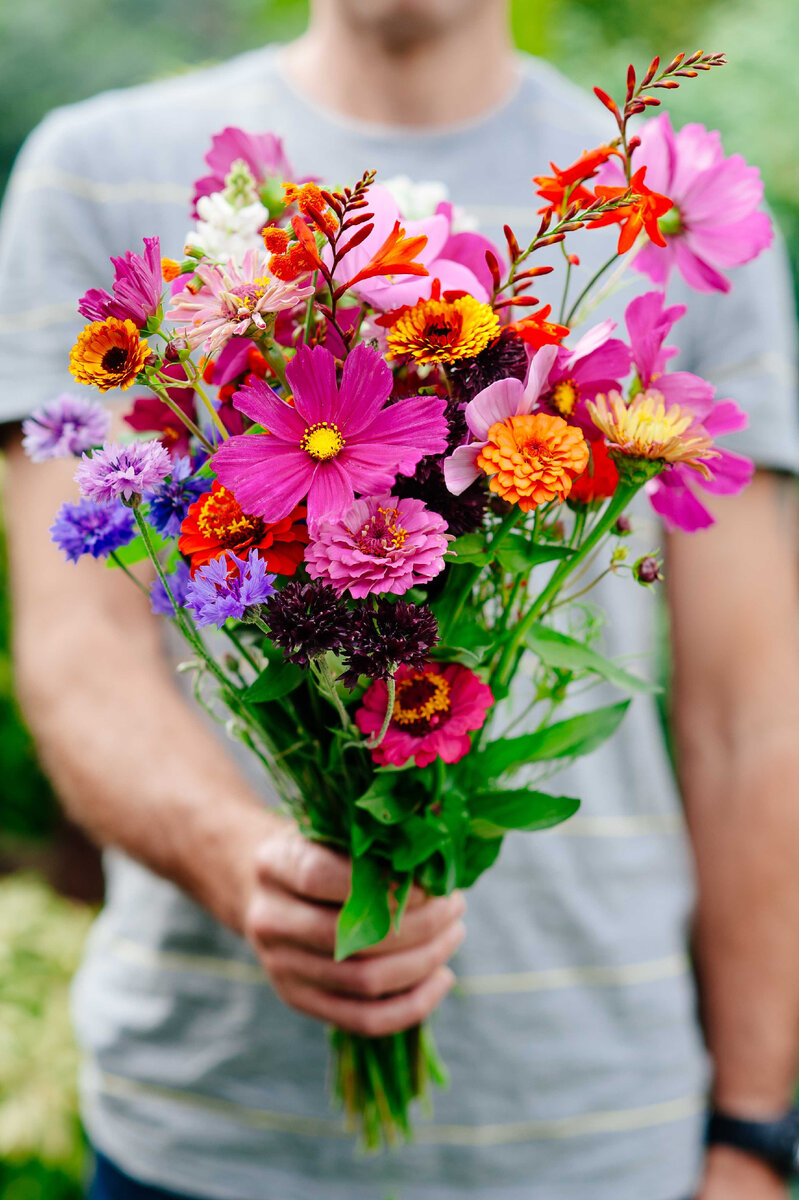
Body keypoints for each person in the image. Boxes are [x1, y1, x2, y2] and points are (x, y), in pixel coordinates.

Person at [2, 2, 799, 1198]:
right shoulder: (93, 171)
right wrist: (248, 863)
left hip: (601, 1130)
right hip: (208, 1137)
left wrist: (755, 1134)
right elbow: (76, 652)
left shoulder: (653, 209)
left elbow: (752, 724)